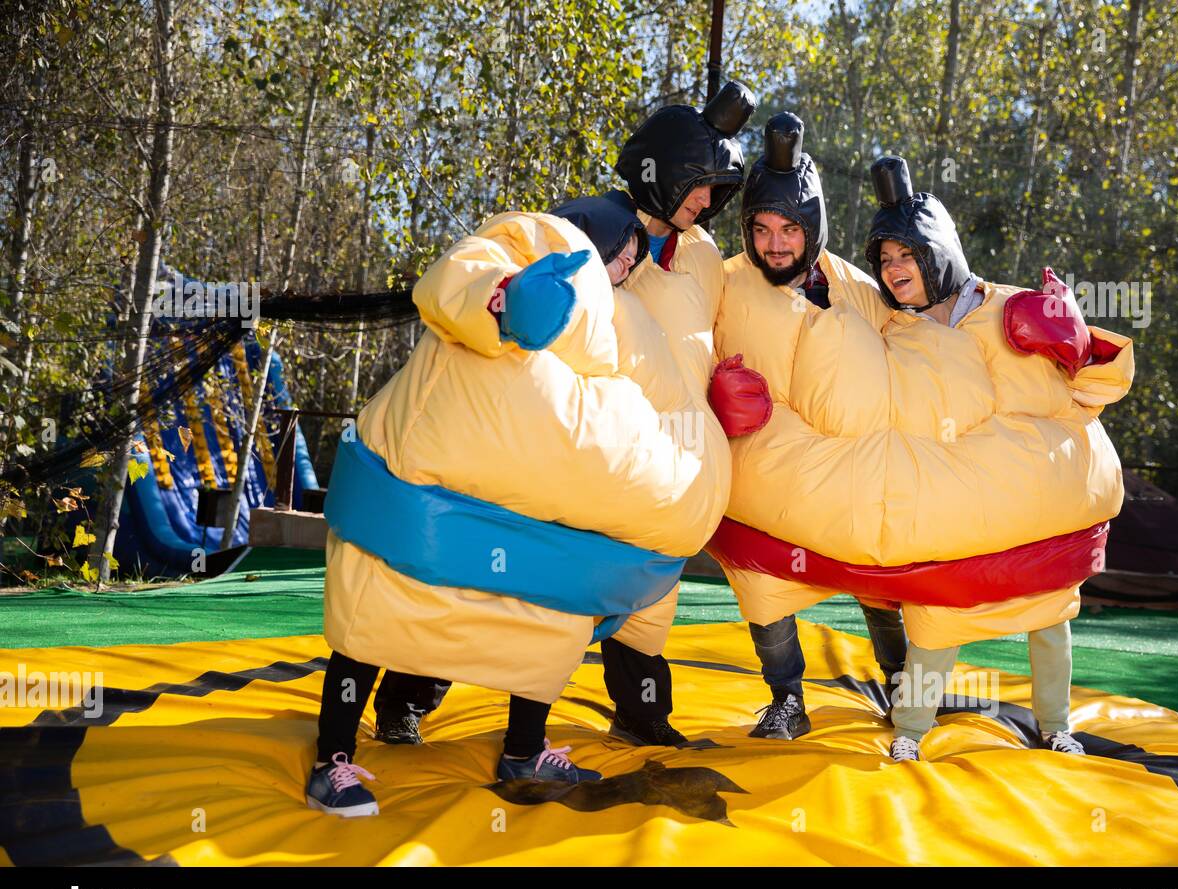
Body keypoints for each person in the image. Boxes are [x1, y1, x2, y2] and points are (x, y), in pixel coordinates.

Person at [707, 143, 1134, 760]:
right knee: (910, 607)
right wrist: (712, 395)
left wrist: (1081, 348)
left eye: (908, 254)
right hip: (897, 490)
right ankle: (871, 718)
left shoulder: (985, 306)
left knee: (1034, 614)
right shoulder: (879, 318)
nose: (896, 268)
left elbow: (1096, 385)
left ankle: (1044, 721)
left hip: (1020, 495)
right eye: (886, 258)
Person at [308, 194, 730, 816]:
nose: (625, 272)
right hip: (429, 476)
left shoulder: (622, 321)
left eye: (633, 263)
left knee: (548, 619)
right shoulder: (536, 246)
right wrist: (503, 299)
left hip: (532, 503)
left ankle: (524, 750)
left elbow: (647, 402)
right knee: (378, 613)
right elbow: (455, 277)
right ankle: (332, 761)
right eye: (622, 258)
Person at [371, 81, 756, 750]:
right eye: (701, 185)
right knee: (491, 577)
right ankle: (408, 694)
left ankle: (639, 711)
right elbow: (514, 266)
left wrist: (725, 386)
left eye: (717, 191)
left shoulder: (702, 262)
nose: (708, 201)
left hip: (655, 460)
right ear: (665, 174)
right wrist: (497, 300)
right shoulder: (596, 223)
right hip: (572, 438)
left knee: (645, 592)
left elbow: (732, 319)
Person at [706, 112, 909, 740]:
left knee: (879, 581)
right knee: (764, 590)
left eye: (789, 228)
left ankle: (903, 688)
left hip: (850, 471)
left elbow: (919, 352)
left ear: (813, 224)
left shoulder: (856, 287)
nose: (774, 244)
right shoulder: (724, 284)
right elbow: (683, 351)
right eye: (760, 229)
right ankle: (787, 699)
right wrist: (712, 394)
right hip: (762, 475)